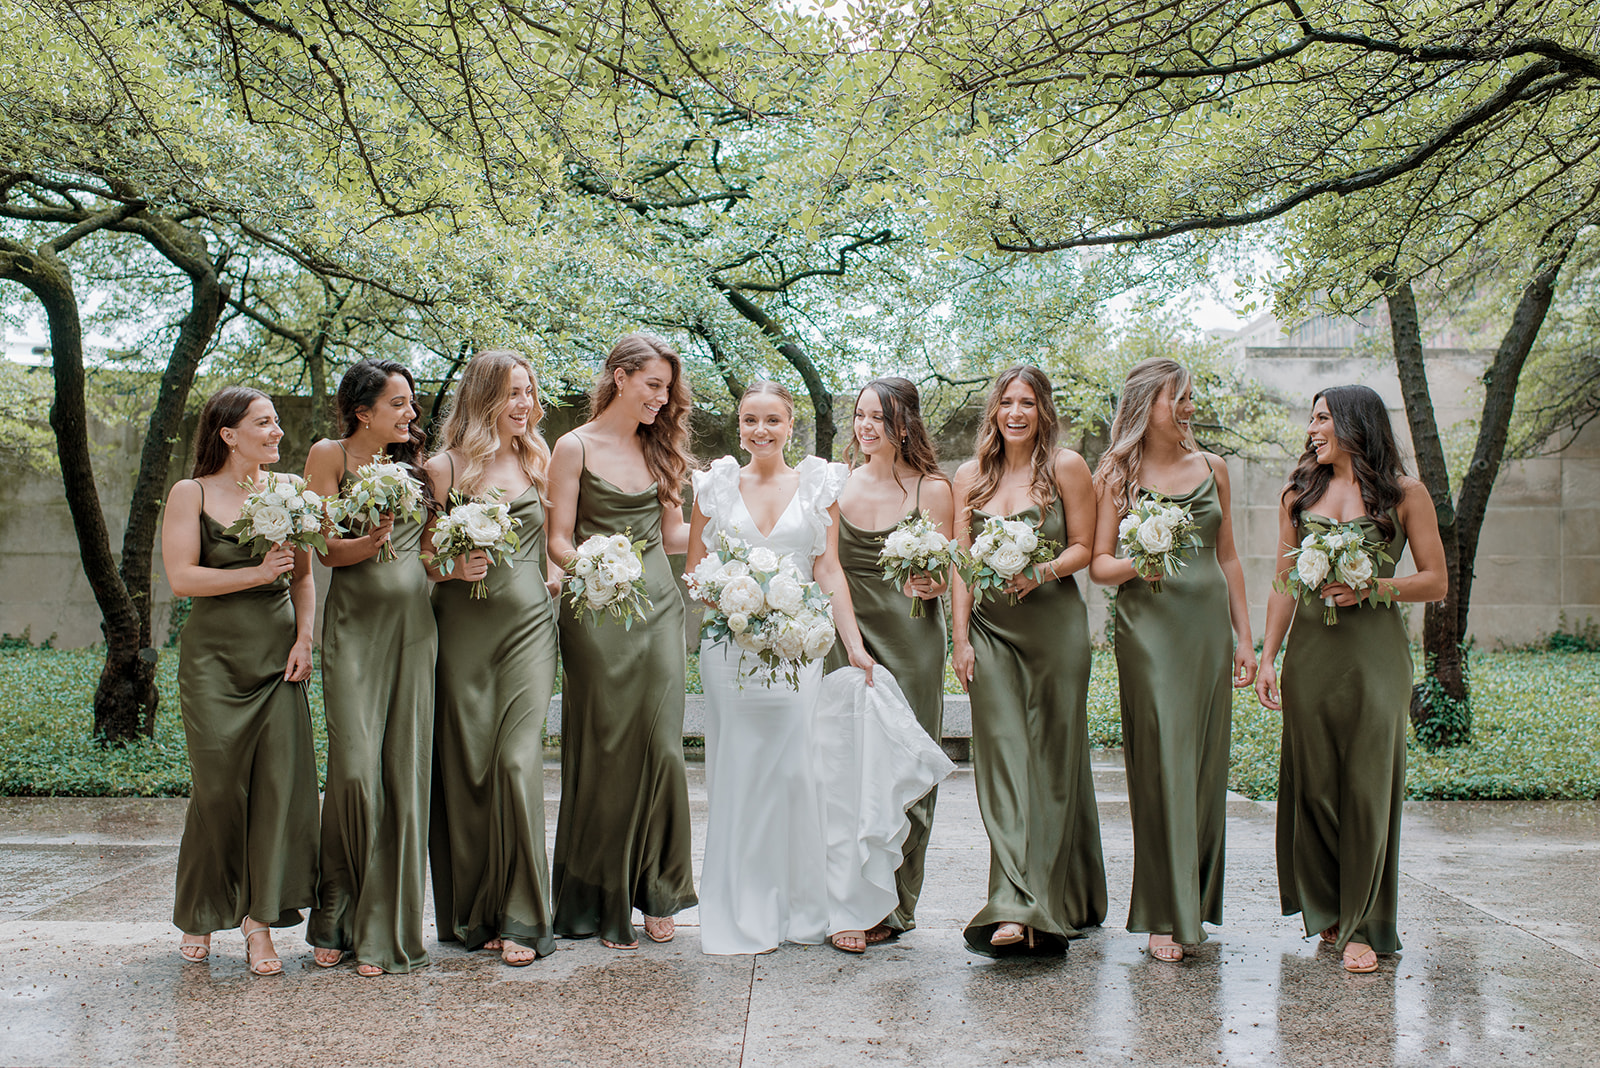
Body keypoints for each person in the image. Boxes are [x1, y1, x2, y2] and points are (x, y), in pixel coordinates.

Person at [1255, 384, 1446, 974]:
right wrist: (1268, 656)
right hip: (1311, 654)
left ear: (1354, 424)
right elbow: (1283, 583)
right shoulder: (1297, 493)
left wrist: (1375, 588)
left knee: (1366, 786)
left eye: (1321, 419)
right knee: (1314, 785)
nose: (1312, 429)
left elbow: (1436, 580)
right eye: (1311, 419)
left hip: (1375, 657)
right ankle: (1331, 908)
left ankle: (1365, 924)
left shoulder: (1404, 494)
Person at [1089, 357, 1256, 963]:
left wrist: (1246, 637)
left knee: (1204, 765)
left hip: (1207, 632)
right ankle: (1164, 909)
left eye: (1189, 397)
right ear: (1146, 407)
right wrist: (1145, 560)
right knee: (1161, 761)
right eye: (1177, 398)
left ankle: (1194, 904)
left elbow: (1229, 556)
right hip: (1149, 632)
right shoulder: (1116, 476)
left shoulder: (1214, 468)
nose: (1188, 407)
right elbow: (1100, 565)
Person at [160, 386, 319, 976]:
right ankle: (200, 908)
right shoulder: (191, 493)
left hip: (277, 656)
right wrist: (254, 571)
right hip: (214, 660)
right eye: (264, 423)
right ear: (228, 434)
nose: (277, 431)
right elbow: (182, 578)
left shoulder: (290, 494)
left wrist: (305, 639)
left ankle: (259, 924)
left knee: (277, 789)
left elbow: (302, 578)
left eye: (277, 422)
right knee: (219, 787)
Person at [546, 333, 698, 949]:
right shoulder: (572, 446)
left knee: (662, 744)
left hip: (659, 606)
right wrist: (595, 565)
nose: (662, 399)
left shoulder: (662, 451)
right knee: (606, 748)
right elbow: (557, 538)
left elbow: (673, 534)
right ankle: (601, 897)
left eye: (668, 389)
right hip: (596, 611)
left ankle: (659, 887)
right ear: (618, 377)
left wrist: (736, 518)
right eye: (652, 385)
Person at [951, 365, 1107, 956]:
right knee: (1005, 762)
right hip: (990, 631)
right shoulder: (969, 477)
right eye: (1007, 403)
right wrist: (959, 639)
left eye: (1028, 403)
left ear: (1043, 410)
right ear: (994, 410)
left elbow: (1085, 549)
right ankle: (1013, 902)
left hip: (1053, 629)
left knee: (1052, 762)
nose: (1016, 413)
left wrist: (1039, 570)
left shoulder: (1066, 466)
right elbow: (963, 566)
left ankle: (1052, 897)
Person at [424, 349, 562, 966]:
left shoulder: (541, 460)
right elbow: (419, 558)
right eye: (511, 393)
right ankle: (475, 914)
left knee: (514, 760)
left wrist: (563, 573)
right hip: (463, 631)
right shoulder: (443, 468)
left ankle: (525, 918)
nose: (524, 405)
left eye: (528, 393)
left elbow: (553, 545)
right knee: (470, 769)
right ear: (483, 399)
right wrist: (451, 568)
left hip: (530, 625)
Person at [302, 359, 436, 976]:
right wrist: (372, 538)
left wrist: (456, 564)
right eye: (399, 405)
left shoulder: (418, 469)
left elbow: (430, 556)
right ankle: (336, 910)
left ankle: (382, 928)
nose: (411, 415)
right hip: (355, 631)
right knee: (355, 773)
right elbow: (326, 550)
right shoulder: (329, 455)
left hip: (416, 632)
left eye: (411, 405)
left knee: (401, 775)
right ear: (364, 412)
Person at [824, 377, 956, 945]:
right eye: (860, 415)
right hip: (850, 636)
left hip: (913, 638)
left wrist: (934, 584)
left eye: (879, 416)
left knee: (909, 765)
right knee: (848, 772)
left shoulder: (932, 489)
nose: (866, 426)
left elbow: (950, 568)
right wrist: (852, 645)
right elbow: (825, 570)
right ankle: (851, 899)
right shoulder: (835, 486)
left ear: (906, 423)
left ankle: (895, 909)